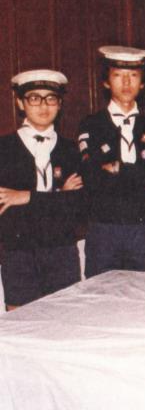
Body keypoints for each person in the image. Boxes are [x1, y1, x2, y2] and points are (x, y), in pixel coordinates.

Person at [78, 46, 145, 277]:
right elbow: (92, 177)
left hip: (143, 228)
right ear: (106, 82)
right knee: (101, 292)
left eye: (133, 75)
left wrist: (117, 168)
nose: (126, 83)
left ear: (143, 83)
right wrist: (142, 173)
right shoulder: (91, 125)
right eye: (118, 75)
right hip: (104, 228)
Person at [0, 70, 83, 309]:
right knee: (22, 321)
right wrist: (59, 196)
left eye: (51, 98)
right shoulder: (4, 149)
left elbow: (78, 206)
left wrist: (26, 197)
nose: (43, 106)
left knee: (65, 317)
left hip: (62, 251)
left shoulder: (71, 150)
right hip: (19, 252)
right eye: (34, 98)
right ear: (20, 103)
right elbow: (5, 208)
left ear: (60, 104)